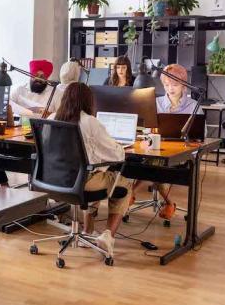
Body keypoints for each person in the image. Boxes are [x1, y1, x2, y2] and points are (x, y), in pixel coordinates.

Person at [49, 83, 132, 257]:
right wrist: (120, 147)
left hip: (54, 180)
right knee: (123, 184)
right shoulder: (90, 122)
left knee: (101, 175)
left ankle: (88, 230)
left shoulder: (51, 119)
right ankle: (108, 236)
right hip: (82, 181)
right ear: (88, 101)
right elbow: (117, 155)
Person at [131, 63, 202, 220]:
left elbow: (198, 137)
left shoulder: (193, 106)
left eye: (175, 84)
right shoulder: (156, 103)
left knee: (156, 164)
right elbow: (147, 128)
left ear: (184, 85)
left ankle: (133, 193)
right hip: (156, 148)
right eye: (167, 84)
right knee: (144, 162)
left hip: (181, 152)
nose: (171, 88)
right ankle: (168, 202)